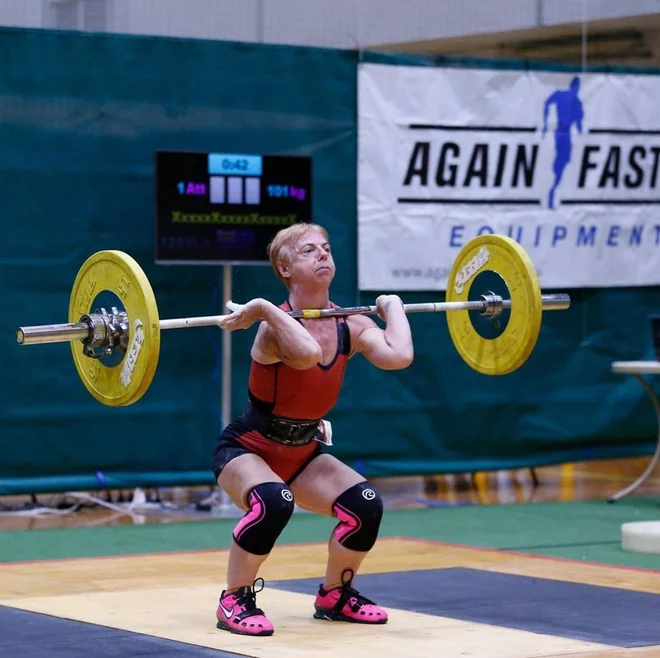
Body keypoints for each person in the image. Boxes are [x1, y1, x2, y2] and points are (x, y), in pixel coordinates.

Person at [212, 222, 414, 636]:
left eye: (326, 248)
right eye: (308, 251)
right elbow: (305, 354)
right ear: (285, 269)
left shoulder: (350, 324)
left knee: (365, 504)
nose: (323, 254)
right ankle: (234, 598)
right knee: (273, 501)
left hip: (303, 451)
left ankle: (335, 595)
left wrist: (393, 306)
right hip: (247, 449)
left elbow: (398, 356)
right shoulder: (273, 327)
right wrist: (267, 309)